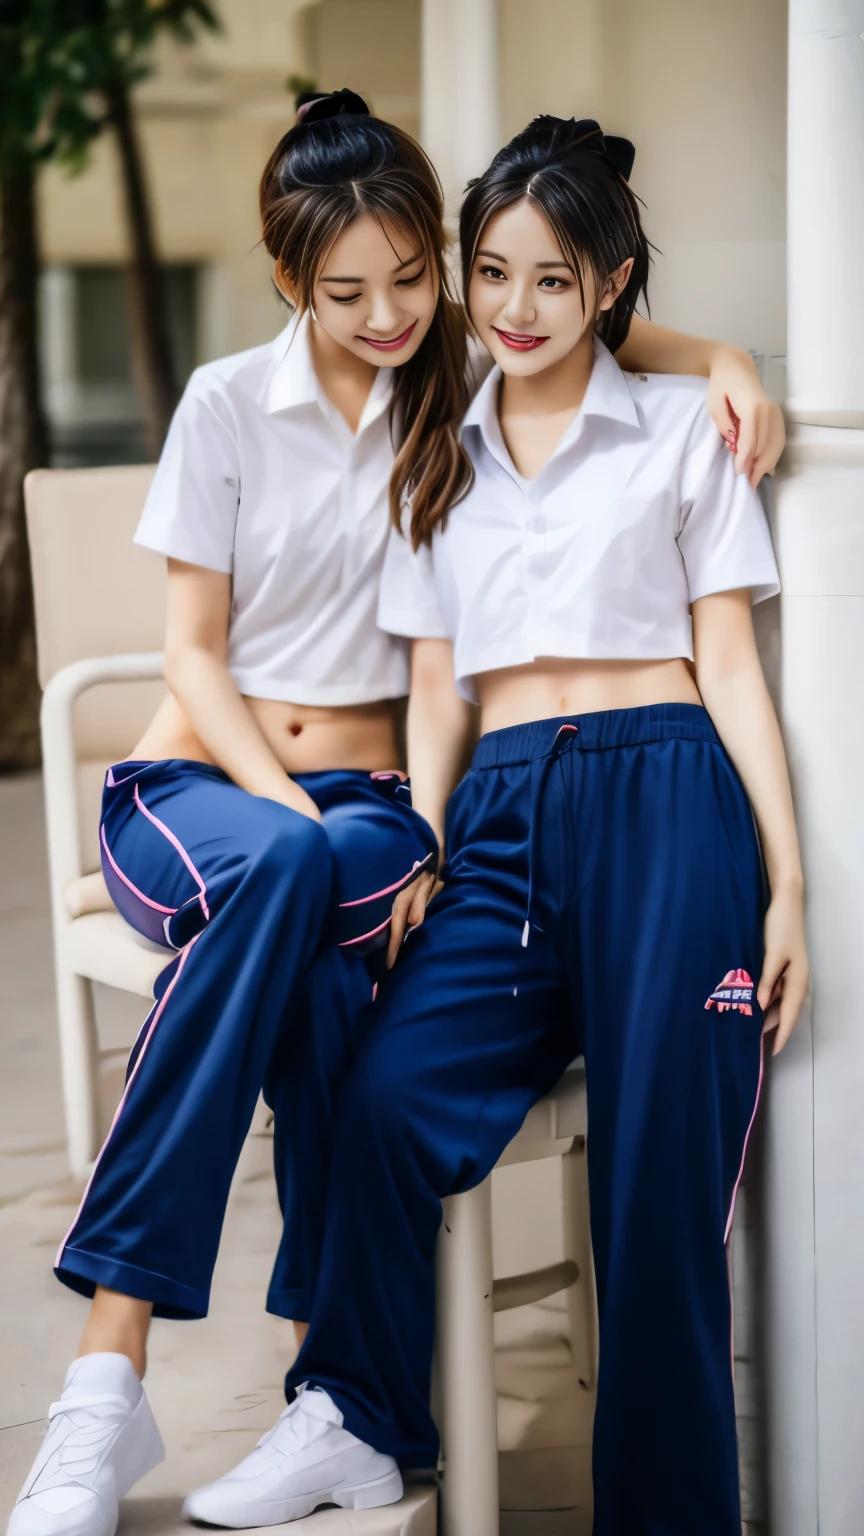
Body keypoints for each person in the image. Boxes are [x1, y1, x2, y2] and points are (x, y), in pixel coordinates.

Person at [8, 94, 789, 1536]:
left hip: (448, 803)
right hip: (250, 792)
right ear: (290, 274)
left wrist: (724, 353)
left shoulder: (463, 380)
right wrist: (351, 820)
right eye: (346, 290)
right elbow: (198, 651)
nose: (391, 313)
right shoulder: (249, 404)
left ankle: (344, 1406)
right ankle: (125, 1380)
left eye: (415, 281)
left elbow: (579, 306)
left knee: (343, 975)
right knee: (303, 920)